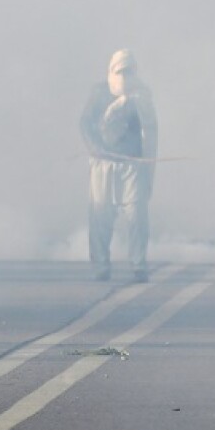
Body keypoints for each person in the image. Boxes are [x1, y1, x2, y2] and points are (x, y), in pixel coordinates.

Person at [80, 49, 158, 282]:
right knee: (100, 214)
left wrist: (147, 161)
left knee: (136, 215)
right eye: (120, 71)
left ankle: (138, 263)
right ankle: (101, 263)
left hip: (131, 164)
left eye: (129, 71)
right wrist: (94, 146)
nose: (124, 76)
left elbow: (150, 129)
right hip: (103, 163)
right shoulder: (99, 92)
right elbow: (85, 123)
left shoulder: (142, 94)